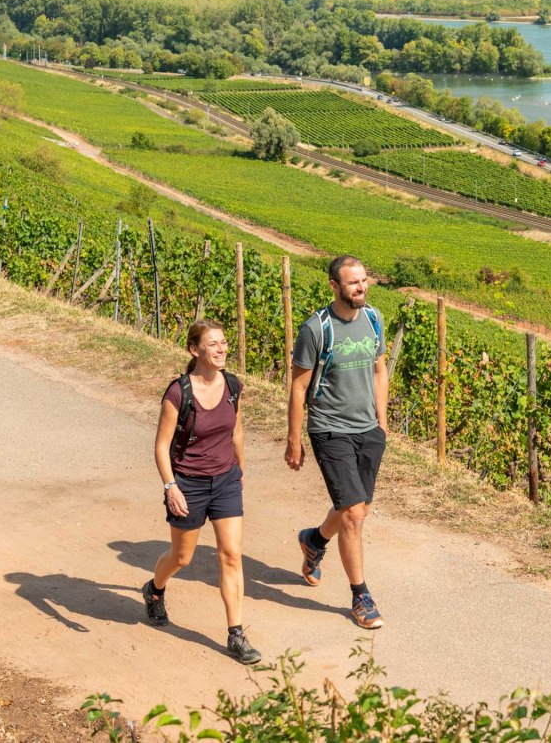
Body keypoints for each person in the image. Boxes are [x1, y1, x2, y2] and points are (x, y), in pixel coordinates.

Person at [142, 319, 262, 664]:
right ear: (195, 350)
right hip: (189, 484)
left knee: (231, 555)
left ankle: (236, 634)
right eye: (213, 344)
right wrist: (171, 487)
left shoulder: (233, 386)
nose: (222, 349)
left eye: (224, 342)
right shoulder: (179, 393)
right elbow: (161, 446)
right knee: (182, 557)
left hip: (225, 480)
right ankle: (155, 589)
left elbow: (236, 430)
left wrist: (240, 469)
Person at [287, 255, 389, 630]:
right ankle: (361, 596)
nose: (361, 287)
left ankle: (314, 541)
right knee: (353, 514)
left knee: (357, 508)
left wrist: (381, 422)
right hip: (330, 429)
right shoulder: (316, 329)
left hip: (368, 430)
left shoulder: (374, 319)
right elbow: (299, 387)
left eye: (364, 280)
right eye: (352, 282)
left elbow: (379, 371)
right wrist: (294, 439)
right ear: (334, 286)